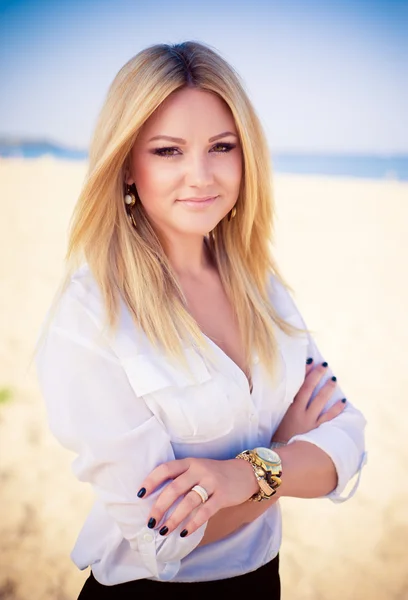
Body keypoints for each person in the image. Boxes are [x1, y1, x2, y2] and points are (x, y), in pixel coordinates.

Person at [35, 41, 367, 599]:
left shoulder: (263, 286)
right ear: (126, 166)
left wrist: (244, 475)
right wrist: (284, 456)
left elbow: (347, 439)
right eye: (168, 151)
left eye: (221, 146)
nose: (202, 175)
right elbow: (162, 536)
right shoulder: (91, 315)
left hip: (265, 583)